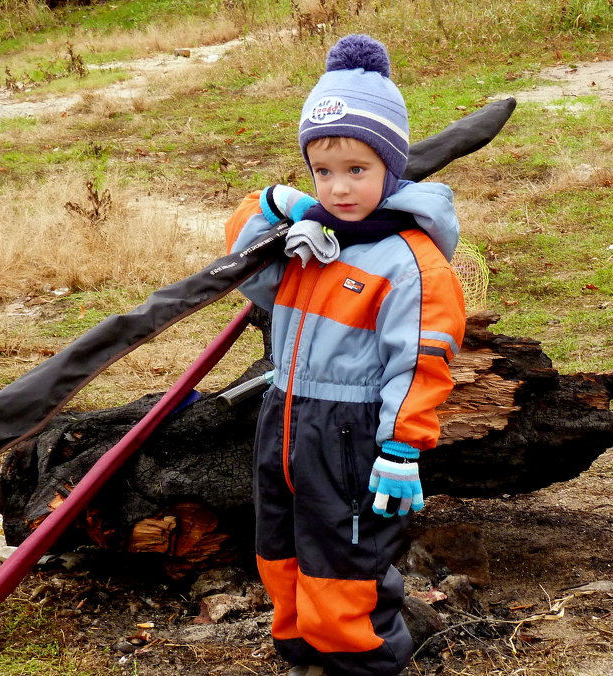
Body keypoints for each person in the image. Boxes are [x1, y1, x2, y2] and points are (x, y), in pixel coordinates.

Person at [222, 34, 465, 676]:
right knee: (281, 547)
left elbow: (420, 362)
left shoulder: (411, 261)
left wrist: (401, 448)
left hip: (353, 432)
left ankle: (364, 664)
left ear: (391, 167)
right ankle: (300, 653)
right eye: (322, 173)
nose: (339, 188)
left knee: (345, 560)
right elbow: (250, 280)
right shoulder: (316, 240)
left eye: (357, 170)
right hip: (285, 413)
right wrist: (275, 213)